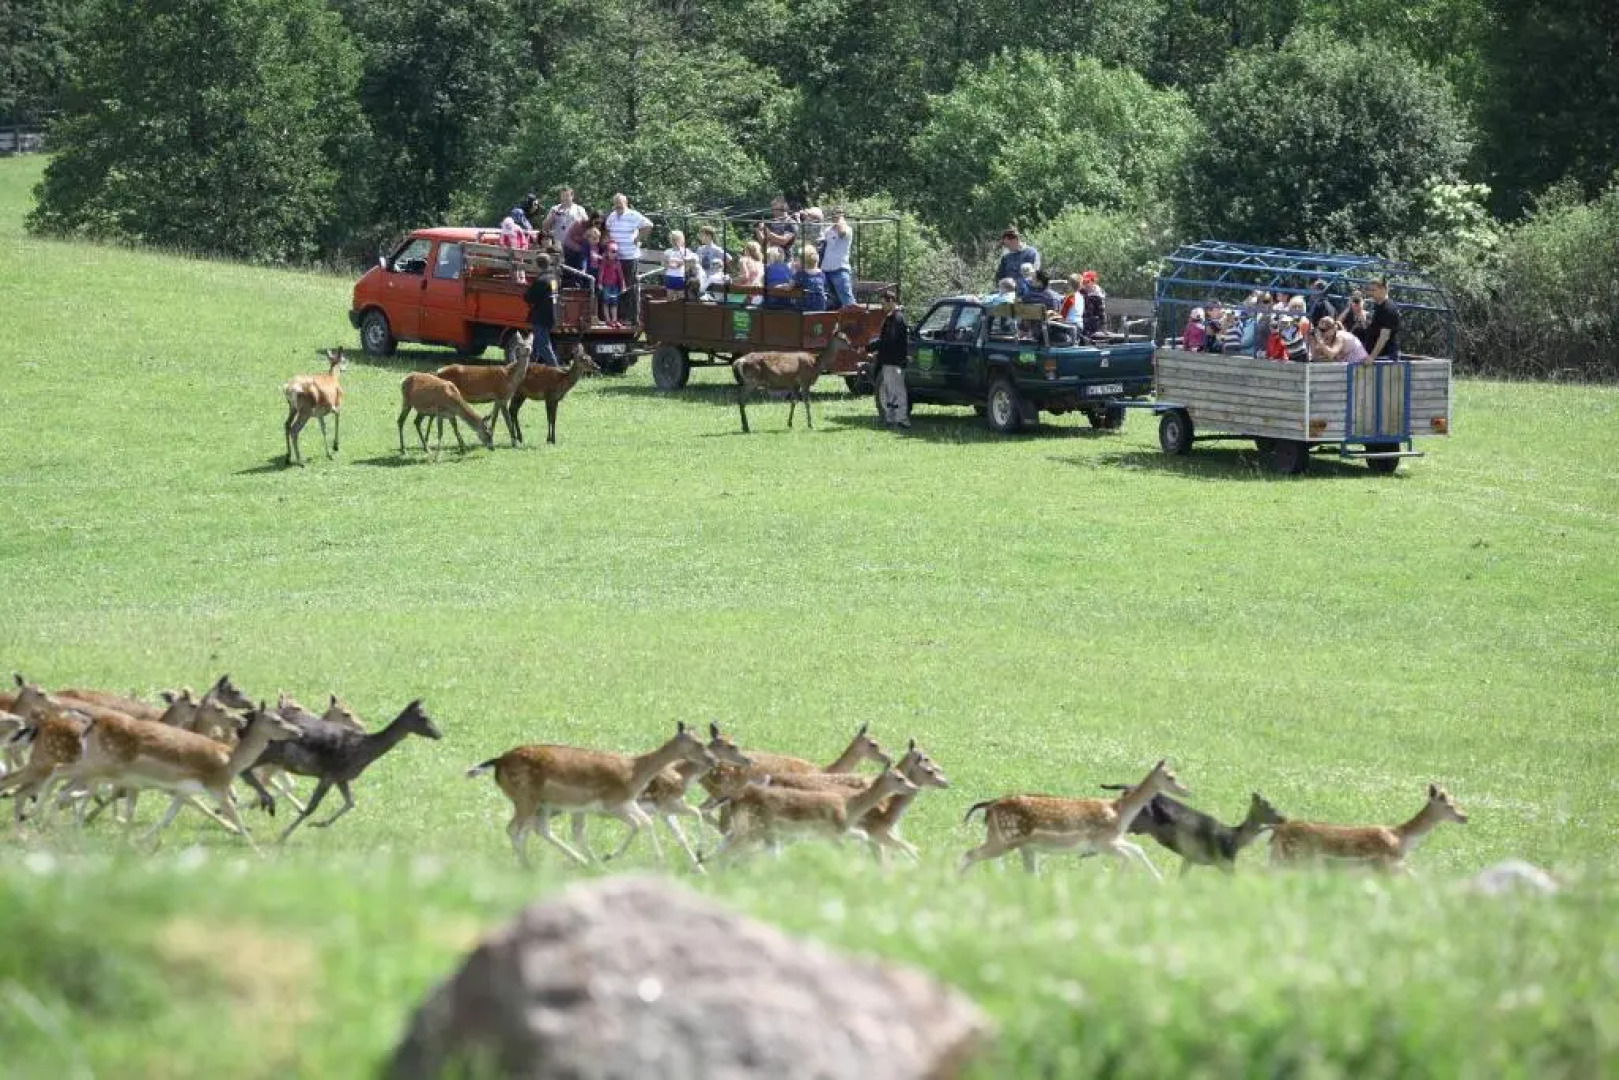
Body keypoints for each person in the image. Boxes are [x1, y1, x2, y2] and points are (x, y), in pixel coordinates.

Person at [604, 193, 653, 323]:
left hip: (630, 256)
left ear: (625, 203)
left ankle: (631, 317)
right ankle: (619, 315)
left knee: (630, 286)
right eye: (616, 203)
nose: (618, 206)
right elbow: (608, 230)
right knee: (617, 286)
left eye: (620, 203)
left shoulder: (633, 215)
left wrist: (637, 238)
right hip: (615, 258)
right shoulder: (612, 216)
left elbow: (649, 225)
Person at [871, 290, 909, 428]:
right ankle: (890, 417)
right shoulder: (890, 318)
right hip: (888, 361)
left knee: (898, 391)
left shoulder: (898, 319)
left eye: (883, 304)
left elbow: (888, 340)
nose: (882, 307)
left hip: (895, 362)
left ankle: (902, 419)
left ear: (891, 301)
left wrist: (872, 348)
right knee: (889, 391)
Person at [522, 254, 561, 367]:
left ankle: (556, 370)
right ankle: (529, 368)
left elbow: (528, 297)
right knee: (535, 345)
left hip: (540, 317)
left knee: (544, 346)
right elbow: (553, 295)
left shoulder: (541, 280)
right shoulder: (553, 279)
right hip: (550, 315)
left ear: (537, 265)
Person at [544, 188, 589, 271]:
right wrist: (552, 217)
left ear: (572, 196)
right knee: (558, 271)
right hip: (558, 247)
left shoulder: (579, 209)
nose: (564, 198)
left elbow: (588, 227)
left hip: (573, 247)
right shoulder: (554, 209)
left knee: (574, 271)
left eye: (567, 196)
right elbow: (545, 227)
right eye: (562, 196)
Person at [820, 209, 855, 308]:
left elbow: (842, 232)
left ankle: (851, 320)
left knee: (847, 299)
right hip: (825, 270)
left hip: (840, 269)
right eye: (833, 215)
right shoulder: (828, 230)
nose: (834, 217)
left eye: (837, 215)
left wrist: (840, 220)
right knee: (828, 300)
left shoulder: (847, 229)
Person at [1364, 278, 1401, 362]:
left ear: (1383, 289)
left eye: (1374, 290)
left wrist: (1371, 357)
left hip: (1385, 358)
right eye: (1370, 290)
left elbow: (1384, 337)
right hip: (1379, 356)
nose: (1371, 293)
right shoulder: (1378, 307)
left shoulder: (1388, 309)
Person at [500, 200, 533, 282]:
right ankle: (515, 280)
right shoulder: (505, 231)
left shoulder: (519, 228)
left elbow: (524, 239)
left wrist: (524, 247)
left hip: (520, 250)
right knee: (513, 265)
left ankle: (522, 279)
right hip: (511, 251)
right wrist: (505, 247)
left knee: (520, 265)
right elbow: (502, 241)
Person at [598, 241, 626, 326]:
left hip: (615, 286)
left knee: (614, 303)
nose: (614, 254)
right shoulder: (604, 262)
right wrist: (599, 283)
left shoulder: (617, 263)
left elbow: (621, 275)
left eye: (616, 252)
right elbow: (601, 273)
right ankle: (607, 319)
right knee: (606, 302)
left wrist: (623, 286)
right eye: (612, 252)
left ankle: (614, 320)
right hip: (606, 285)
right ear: (607, 252)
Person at [696, 225, 729, 291]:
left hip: (713, 279)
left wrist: (719, 266)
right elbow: (698, 263)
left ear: (709, 236)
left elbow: (728, 258)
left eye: (702, 235)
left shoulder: (715, 249)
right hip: (703, 277)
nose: (700, 237)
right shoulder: (700, 249)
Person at [794, 248, 828, 312]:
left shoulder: (801, 274)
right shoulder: (821, 274)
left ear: (803, 261)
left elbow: (791, 286)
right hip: (820, 306)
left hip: (804, 307)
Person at [1079, 270, 1106, 339]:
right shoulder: (1081, 292)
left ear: (1093, 281)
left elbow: (1101, 314)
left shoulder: (1098, 295)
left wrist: (1103, 328)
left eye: (1087, 282)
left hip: (1094, 322)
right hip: (1083, 320)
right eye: (1083, 282)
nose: (1085, 284)